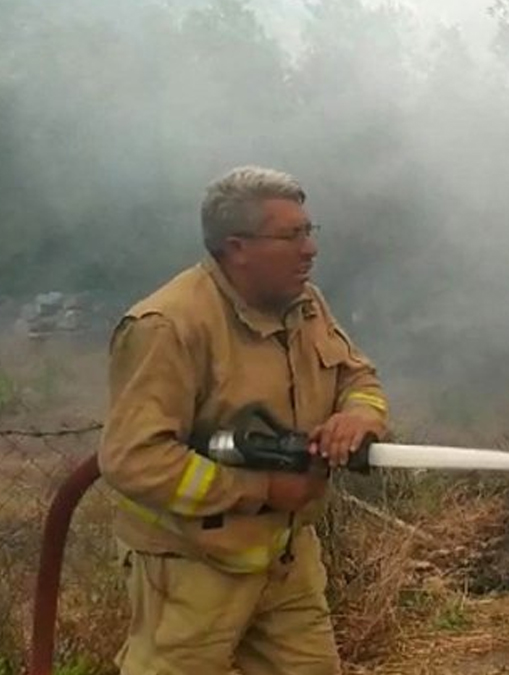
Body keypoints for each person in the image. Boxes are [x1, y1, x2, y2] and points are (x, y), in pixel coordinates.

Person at [98, 165, 390, 675]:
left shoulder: (305, 304)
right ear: (237, 247)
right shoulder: (168, 327)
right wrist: (261, 490)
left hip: (286, 558)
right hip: (191, 567)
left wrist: (359, 415)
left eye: (309, 231)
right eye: (291, 235)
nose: (310, 249)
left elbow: (356, 376)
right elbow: (133, 458)